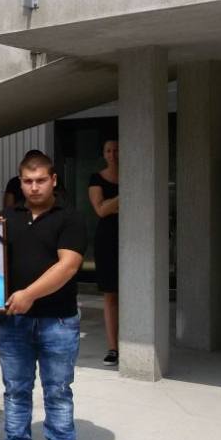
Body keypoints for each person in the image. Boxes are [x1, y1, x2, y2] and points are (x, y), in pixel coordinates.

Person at [0, 151, 86, 440]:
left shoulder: (70, 218)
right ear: (20, 182)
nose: (34, 187)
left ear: (53, 180)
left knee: (58, 391)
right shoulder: (5, 218)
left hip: (58, 322)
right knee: (16, 391)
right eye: (28, 181)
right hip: (14, 322)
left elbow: (68, 266)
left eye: (41, 180)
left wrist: (29, 294)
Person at [88, 139, 120, 366]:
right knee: (110, 293)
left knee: (132, 293)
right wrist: (122, 197)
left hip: (134, 237)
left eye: (116, 150)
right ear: (104, 154)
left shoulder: (134, 174)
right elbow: (100, 210)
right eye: (108, 150)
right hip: (107, 238)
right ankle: (112, 347)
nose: (113, 154)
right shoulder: (96, 178)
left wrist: (112, 204)